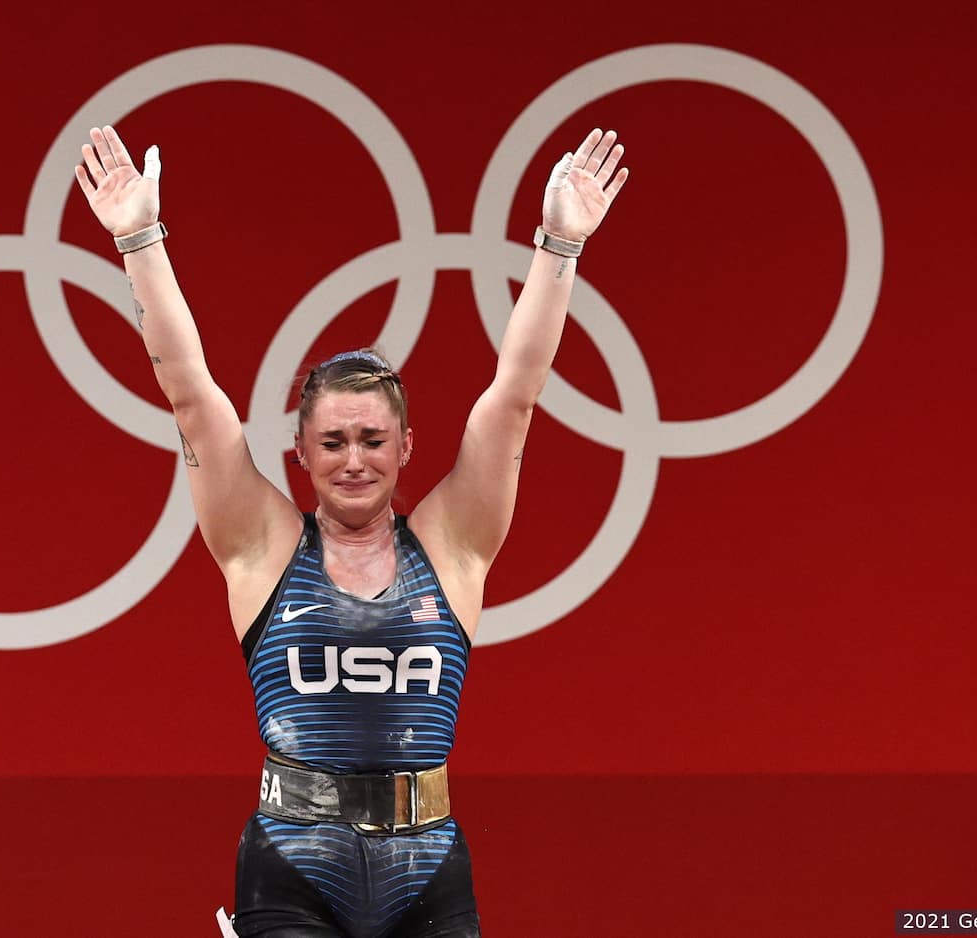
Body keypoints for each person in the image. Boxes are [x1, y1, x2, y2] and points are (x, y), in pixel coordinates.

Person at [75, 123, 627, 938]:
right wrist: (137, 238)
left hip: (428, 867)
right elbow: (190, 393)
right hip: (292, 867)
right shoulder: (260, 546)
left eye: (373, 440)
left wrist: (559, 245)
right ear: (300, 453)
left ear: (407, 447)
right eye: (332, 442)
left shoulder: (454, 544)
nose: (354, 461)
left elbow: (517, 394)